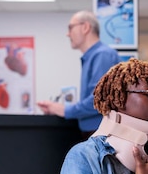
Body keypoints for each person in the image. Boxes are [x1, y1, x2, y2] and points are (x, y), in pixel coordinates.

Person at [37, 10, 120, 139]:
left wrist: (63, 110)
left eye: (70, 28)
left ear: (85, 27)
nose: (67, 34)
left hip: (100, 134)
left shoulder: (102, 55)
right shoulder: (93, 56)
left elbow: (99, 100)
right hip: (95, 133)